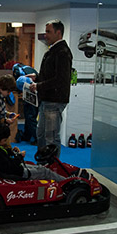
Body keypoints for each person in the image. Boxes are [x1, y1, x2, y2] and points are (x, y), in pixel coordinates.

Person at [29, 19, 73, 158]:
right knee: (41, 134)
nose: (45, 35)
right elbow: (51, 75)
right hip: (47, 100)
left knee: (51, 137)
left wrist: (39, 85)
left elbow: (61, 79)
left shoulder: (62, 52)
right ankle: (43, 163)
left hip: (54, 101)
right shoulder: (54, 50)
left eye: (48, 32)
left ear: (58, 33)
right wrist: (37, 77)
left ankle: (52, 166)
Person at [0, 121, 70, 181]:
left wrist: (11, 152)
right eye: (4, 140)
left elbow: (3, 156)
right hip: (18, 173)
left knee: (40, 167)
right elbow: (9, 167)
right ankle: (67, 183)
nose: (5, 142)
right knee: (45, 172)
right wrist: (19, 156)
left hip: (15, 168)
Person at [13, 63, 38, 144]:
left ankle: (36, 138)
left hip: (30, 94)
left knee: (30, 116)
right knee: (30, 116)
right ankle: (27, 136)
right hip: (37, 93)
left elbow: (19, 83)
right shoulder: (29, 69)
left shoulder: (17, 71)